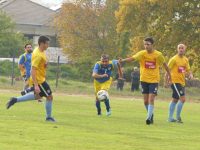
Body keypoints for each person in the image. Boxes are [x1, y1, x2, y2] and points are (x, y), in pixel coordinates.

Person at [119, 37, 171, 125]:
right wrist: (123, 60)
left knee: (151, 99)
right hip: (144, 80)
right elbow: (132, 58)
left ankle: (148, 118)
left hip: (154, 80)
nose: (146, 46)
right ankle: (151, 115)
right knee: (145, 101)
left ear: (152, 45)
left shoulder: (158, 55)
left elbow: (165, 64)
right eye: (145, 44)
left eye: (148, 44)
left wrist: (169, 75)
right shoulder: (142, 54)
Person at [6, 36, 56, 122]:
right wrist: (36, 85)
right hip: (39, 81)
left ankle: (15, 100)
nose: (48, 45)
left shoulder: (38, 50)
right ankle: (49, 117)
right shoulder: (38, 55)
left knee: (37, 96)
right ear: (42, 44)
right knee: (49, 97)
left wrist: (44, 64)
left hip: (39, 79)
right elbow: (33, 70)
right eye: (47, 44)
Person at [166, 44, 193, 123]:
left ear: (185, 50)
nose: (181, 49)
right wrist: (166, 81)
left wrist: (190, 75)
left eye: (182, 48)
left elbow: (188, 69)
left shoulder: (185, 59)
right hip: (175, 81)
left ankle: (170, 118)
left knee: (175, 99)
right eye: (179, 48)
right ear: (177, 49)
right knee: (183, 99)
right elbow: (167, 70)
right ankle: (178, 118)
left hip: (182, 82)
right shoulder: (173, 59)